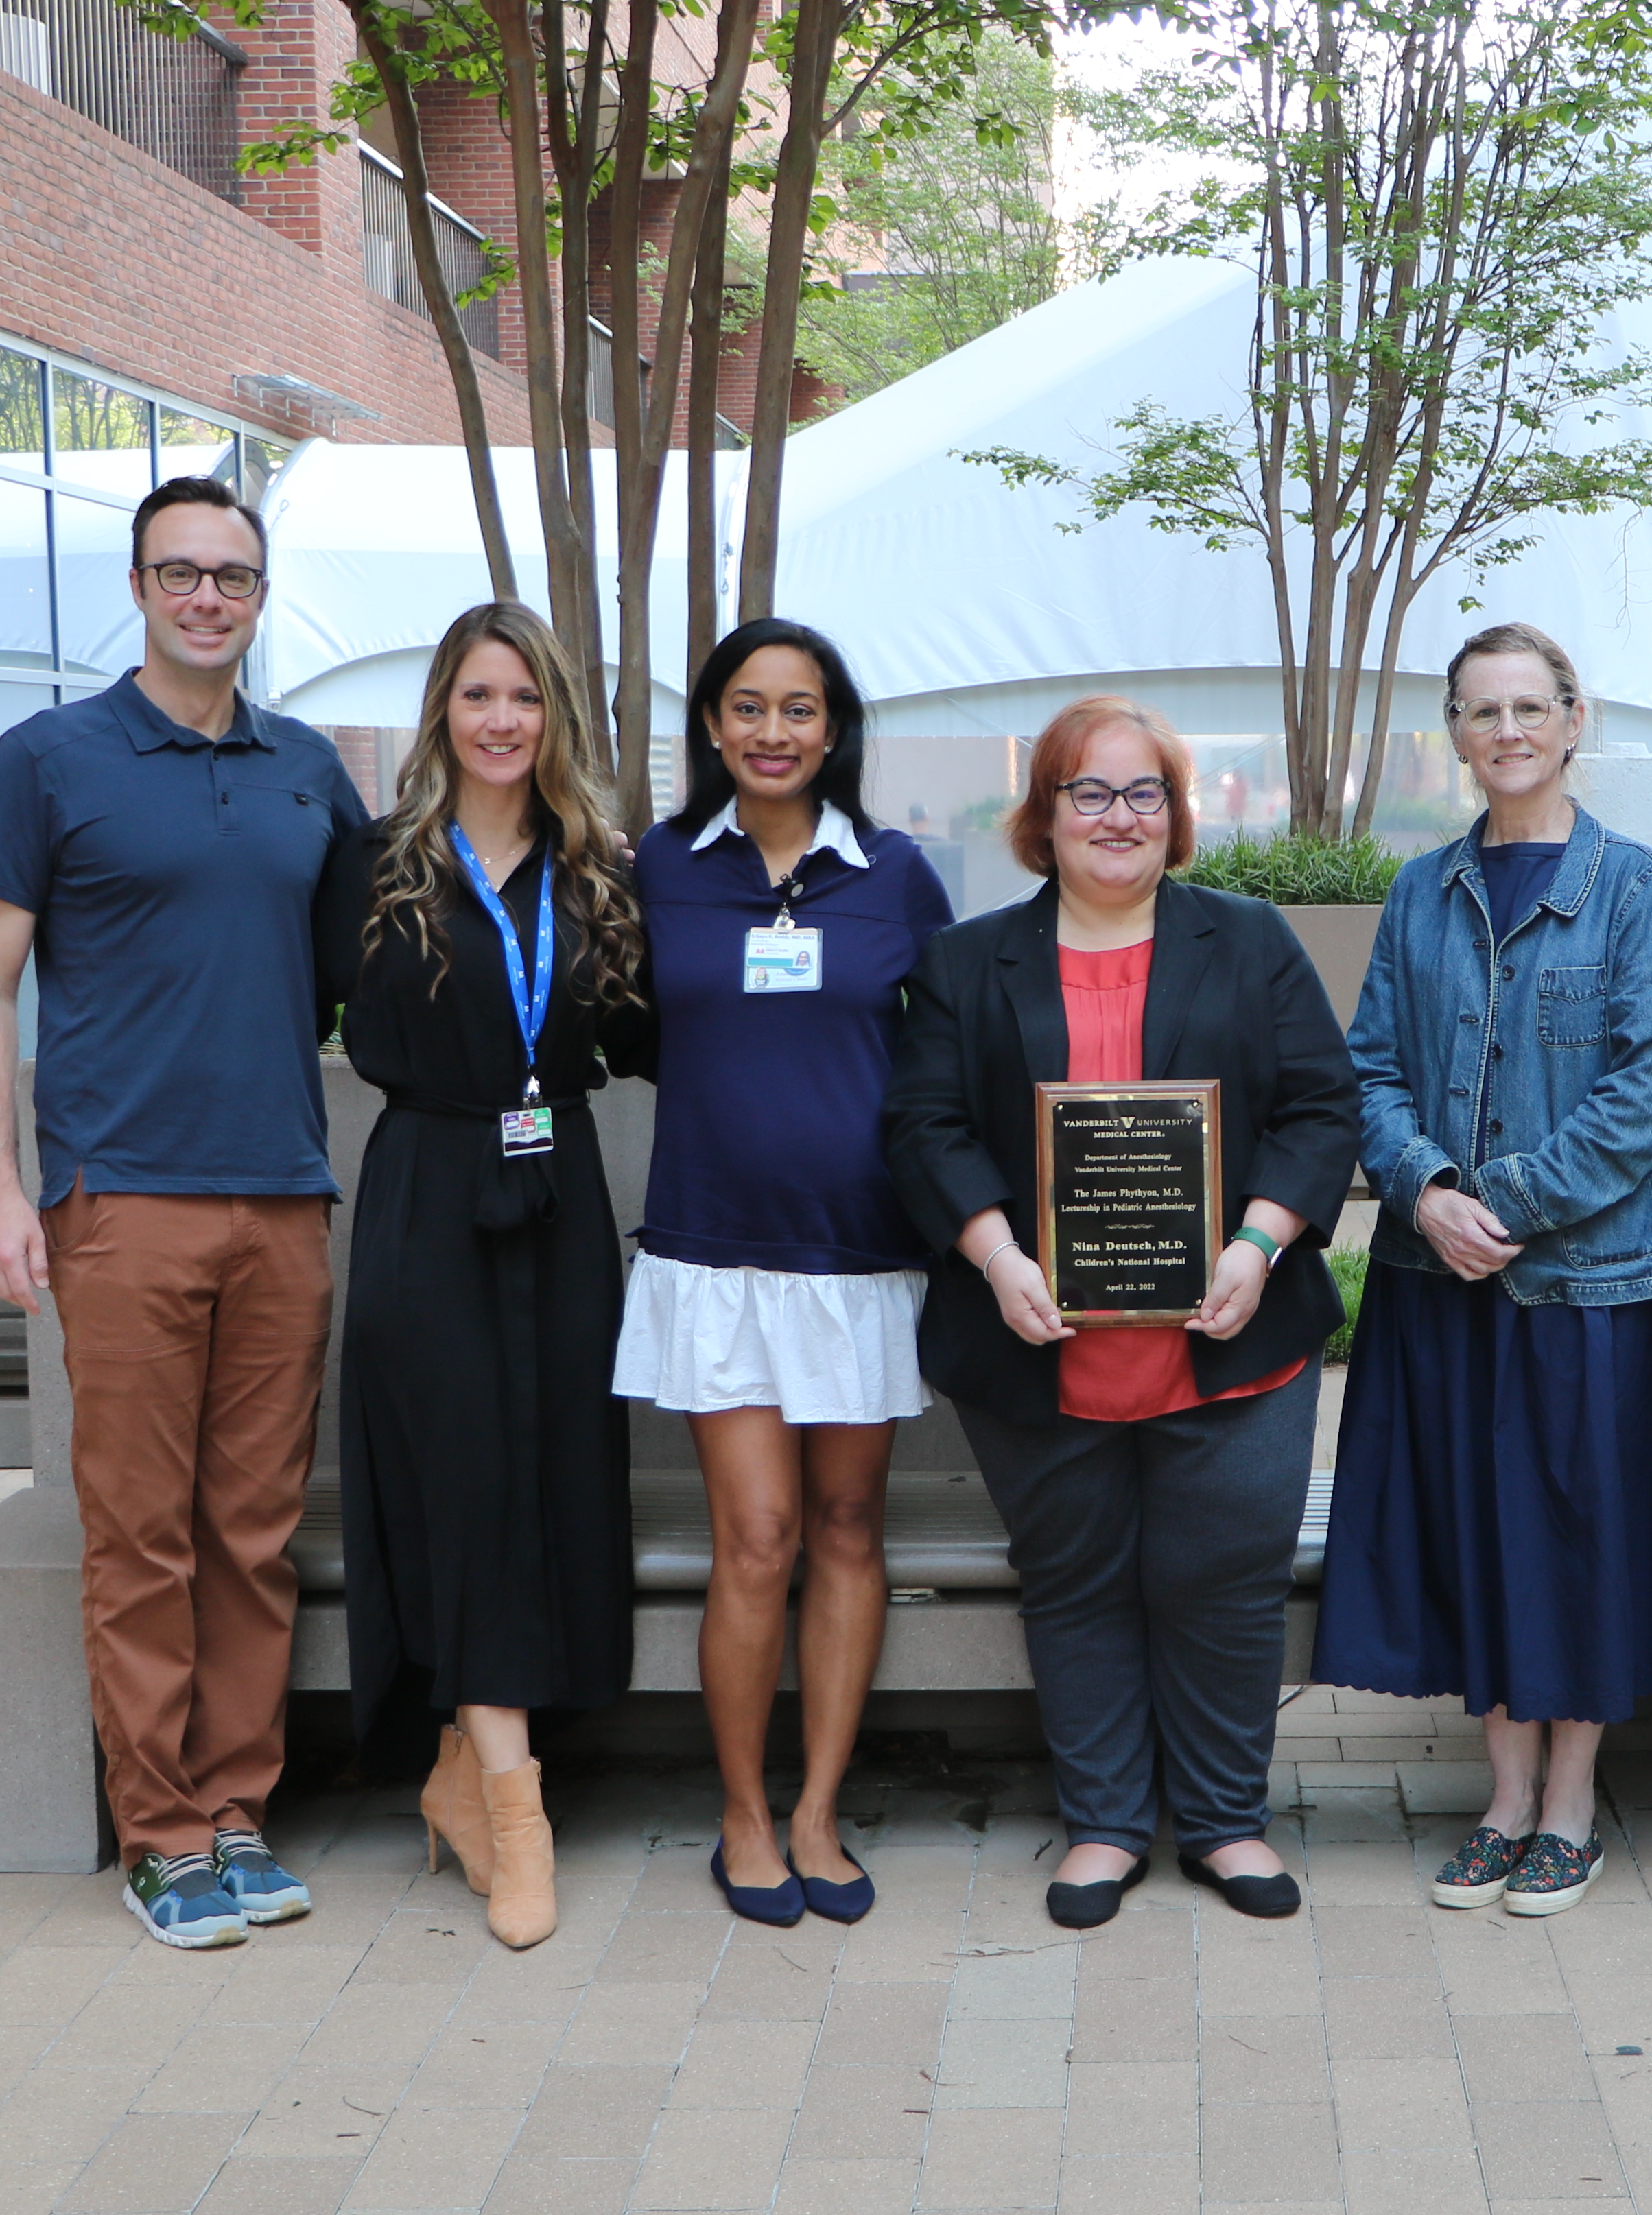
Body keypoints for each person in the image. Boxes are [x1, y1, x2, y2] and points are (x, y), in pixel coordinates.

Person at [0, 474, 372, 1950]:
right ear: (138, 587)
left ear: (261, 596)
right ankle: (160, 1831)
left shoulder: (308, 768)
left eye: (233, 575)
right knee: (142, 1535)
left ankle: (238, 1810)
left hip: (283, 1198)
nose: (208, 596)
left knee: (252, 1532)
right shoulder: (49, 759)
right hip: (121, 1199)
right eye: (181, 571)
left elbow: (374, 961)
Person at [883, 698, 1358, 1931]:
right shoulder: (965, 962)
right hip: (1034, 1339)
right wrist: (997, 1257)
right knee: (1074, 1577)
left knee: (1226, 1581)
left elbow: (1322, 1108)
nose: (1117, 817)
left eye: (1143, 792)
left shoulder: (1250, 942)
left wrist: (1259, 1243)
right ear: (1043, 813)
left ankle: (1224, 1821)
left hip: (1234, 1337)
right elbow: (924, 1129)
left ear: (1176, 814)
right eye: (1088, 792)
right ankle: (1103, 1823)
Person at [1320, 622, 1652, 1919]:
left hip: (1591, 1284)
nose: (1508, 732)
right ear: (1456, 733)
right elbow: (1369, 1071)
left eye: (1530, 708)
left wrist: (1506, 1204)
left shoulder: (1634, 887)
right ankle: (1501, 1799)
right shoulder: (1420, 892)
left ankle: (1571, 1806)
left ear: (1574, 720)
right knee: (1476, 1534)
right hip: (1441, 1280)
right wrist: (1424, 1190)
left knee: (1580, 1540)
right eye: (1482, 712)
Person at [322, 602, 653, 1953]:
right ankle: (519, 1810)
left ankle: (464, 1767)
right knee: (460, 1475)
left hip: (557, 1192)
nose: (502, 719)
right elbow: (283, 1006)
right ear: (441, 713)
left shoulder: (597, 874)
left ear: (553, 715)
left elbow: (658, 1036)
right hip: (429, 1194)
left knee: (553, 1468)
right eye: (477, 695)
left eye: (524, 696)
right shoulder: (373, 865)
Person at [623, 619, 956, 1927]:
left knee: (849, 1530)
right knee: (756, 1539)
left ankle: (818, 1810)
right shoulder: (658, 866)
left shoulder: (897, 874)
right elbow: (624, 1028)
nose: (774, 732)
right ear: (713, 725)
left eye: (800, 709)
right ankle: (744, 1816)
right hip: (716, 1252)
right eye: (749, 707)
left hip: (860, 1255)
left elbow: (947, 1053)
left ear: (834, 729)